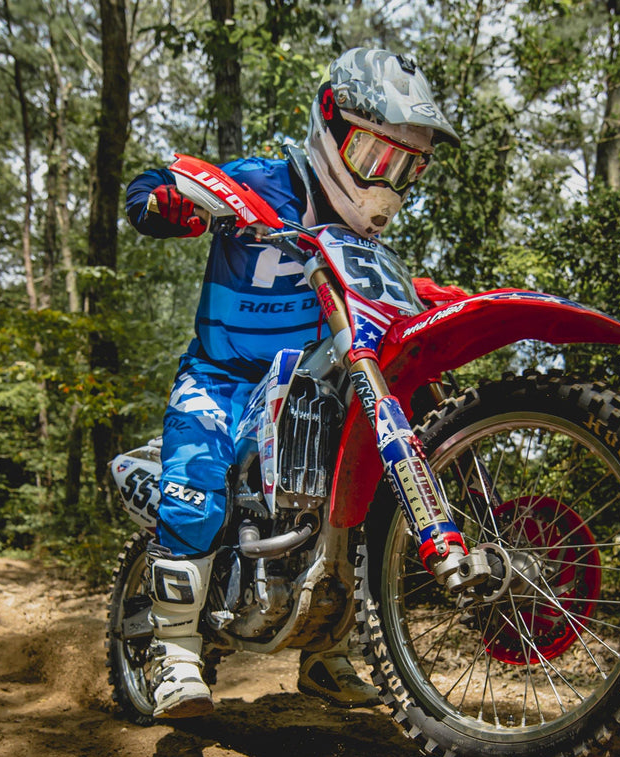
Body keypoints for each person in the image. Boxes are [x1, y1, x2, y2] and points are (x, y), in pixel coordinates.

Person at [118, 47, 459, 718]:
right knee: (195, 483)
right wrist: (173, 201)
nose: (385, 180)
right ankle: (174, 653)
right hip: (222, 375)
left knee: (358, 492)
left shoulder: (365, 245)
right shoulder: (261, 183)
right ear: (331, 124)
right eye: (374, 155)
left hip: (306, 384)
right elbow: (155, 188)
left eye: (404, 167)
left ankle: (327, 652)